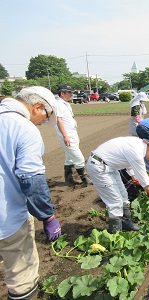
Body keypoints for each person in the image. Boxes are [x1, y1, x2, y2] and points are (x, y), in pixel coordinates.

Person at [0, 86, 62, 300]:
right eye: (45, 117)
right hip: (6, 215)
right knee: (21, 274)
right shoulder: (23, 128)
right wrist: (47, 216)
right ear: (37, 107)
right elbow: (31, 179)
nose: (43, 122)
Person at [86, 136, 149, 233]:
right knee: (115, 202)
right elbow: (143, 178)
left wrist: (135, 179)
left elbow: (129, 165)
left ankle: (126, 224)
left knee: (124, 196)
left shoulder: (138, 145)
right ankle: (115, 235)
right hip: (99, 167)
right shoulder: (137, 152)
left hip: (110, 167)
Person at [54, 84, 92, 186]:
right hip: (67, 135)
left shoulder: (65, 104)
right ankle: (85, 179)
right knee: (79, 158)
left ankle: (69, 179)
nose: (72, 94)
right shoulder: (58, 104)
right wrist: (65, 136)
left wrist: (76, 135)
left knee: (69, 158)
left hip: (72, 134)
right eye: (69, 92)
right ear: (62, 93)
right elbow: (59, 121)